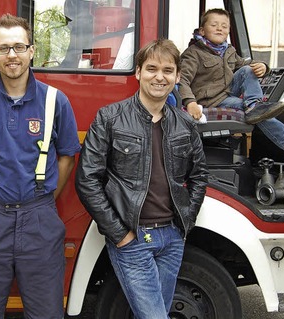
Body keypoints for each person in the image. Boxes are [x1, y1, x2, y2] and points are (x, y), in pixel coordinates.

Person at [0, 14, 81, 319]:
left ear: (32, 51)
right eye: (4, 48)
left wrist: (43, 198)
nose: (12, 55)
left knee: (47, 313)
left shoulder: (56, 101)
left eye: (19, 47)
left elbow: (67, 158)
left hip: (40, 219)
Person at [75, 38, 208, 318]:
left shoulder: (185, 123)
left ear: (177, 77)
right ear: (138, 72)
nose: (159, 77)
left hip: (172, 238)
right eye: (151, 68)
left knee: (153, 312)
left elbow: (200, 175)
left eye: (168, 70)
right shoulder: (110, 118)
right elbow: (87, 179)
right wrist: (119, 234)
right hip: (133, 238)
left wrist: (185, 223)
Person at [179, 8, 284, 155]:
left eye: (224, 26)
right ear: (202, 31)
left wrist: (263, 67)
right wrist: (190, 102)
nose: (219, 28)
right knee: (254, 110)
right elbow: (182, 80)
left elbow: (245, 65)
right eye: (214, 25)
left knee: (248, 70)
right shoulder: (193, 54)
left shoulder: (228, 50)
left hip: (226, 94)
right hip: (209, 100)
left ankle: (254, 105)